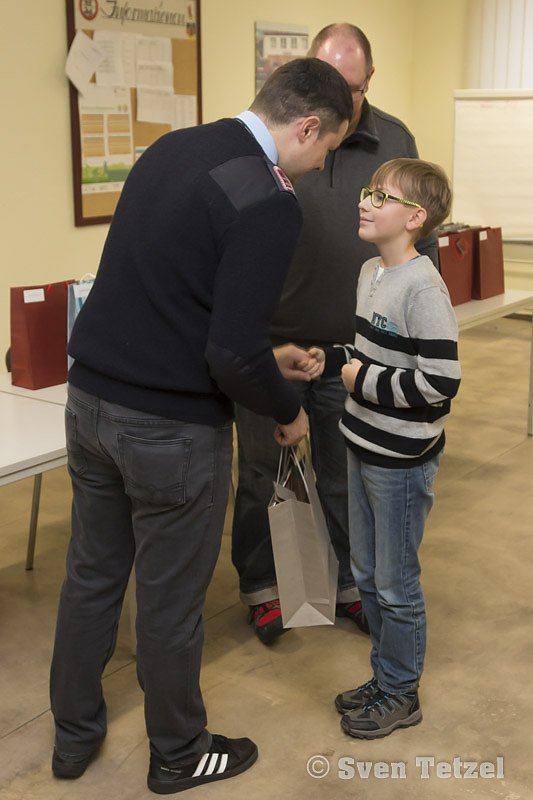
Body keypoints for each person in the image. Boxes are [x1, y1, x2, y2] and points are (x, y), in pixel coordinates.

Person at [49, 58, 352, 795]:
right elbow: (229, 353)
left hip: (89, 404)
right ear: (306, 126)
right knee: (170, 599)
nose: (322, 165)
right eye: (327, 148)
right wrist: (286, 410)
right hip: (167, 432)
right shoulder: (270, 199)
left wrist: (264, 357)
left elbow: (175, 301)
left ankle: (72, 736)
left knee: (91, 575)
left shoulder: (172, 148)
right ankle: (179, 752)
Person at [232, 23, 440, 646]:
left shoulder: (394, 140)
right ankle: (263, 587)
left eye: (351, 87)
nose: (339, 97)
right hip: (270, 345)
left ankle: (351, 584)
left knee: (343, 476)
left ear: (369, 81)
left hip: (349, 351)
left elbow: (420, 245)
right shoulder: (277, 133)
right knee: (260, 475)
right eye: (327, 80)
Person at [308, 157, 460, 738]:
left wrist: (360, 381)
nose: (364, 202)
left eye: (380, 196)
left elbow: (440, 382)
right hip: (362, 442)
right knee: (367, 573)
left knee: (396, 583)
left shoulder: (423, 287)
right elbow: (369, 351)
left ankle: (401, 692)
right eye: (366, 191)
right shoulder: (370, 271)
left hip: (401, 461)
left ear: (415, 218)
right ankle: (384, 674)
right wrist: (334, 360)